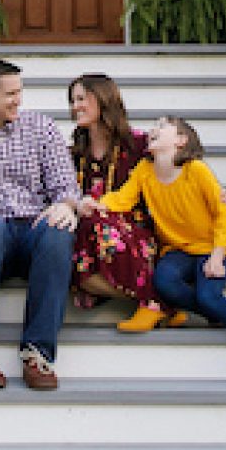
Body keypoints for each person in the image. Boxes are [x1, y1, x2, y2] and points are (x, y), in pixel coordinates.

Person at [87, 115, 226, 388]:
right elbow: (122, 199)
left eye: (162, 126)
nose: (154, 129)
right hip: (177, 250)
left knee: (208, 296)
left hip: (213, 248)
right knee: (163, 283)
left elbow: (223, 214)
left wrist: (217, 256)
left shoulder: (196, 170)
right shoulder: (145, 169)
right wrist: (96, 205)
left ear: (181, 141)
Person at [0, 58, 80, 390]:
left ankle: (37, 354)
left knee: (58, 231)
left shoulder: (41, 128)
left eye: (20, 92)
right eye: (10, 94)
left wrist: (66, 206)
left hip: (34, 224)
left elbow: (64, 185)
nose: (18, 100)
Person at [67, 73, 172, 332]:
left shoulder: (138, 143)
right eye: (72, 100)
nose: (75, 106)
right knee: (68, 257)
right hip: (90, 234)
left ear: (103, 99)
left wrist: (215, 193)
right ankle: (163, 303)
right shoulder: (75, 152)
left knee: (95, 225)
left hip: (132, 232)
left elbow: (178, 167)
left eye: (81, 99)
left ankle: (158, 303)